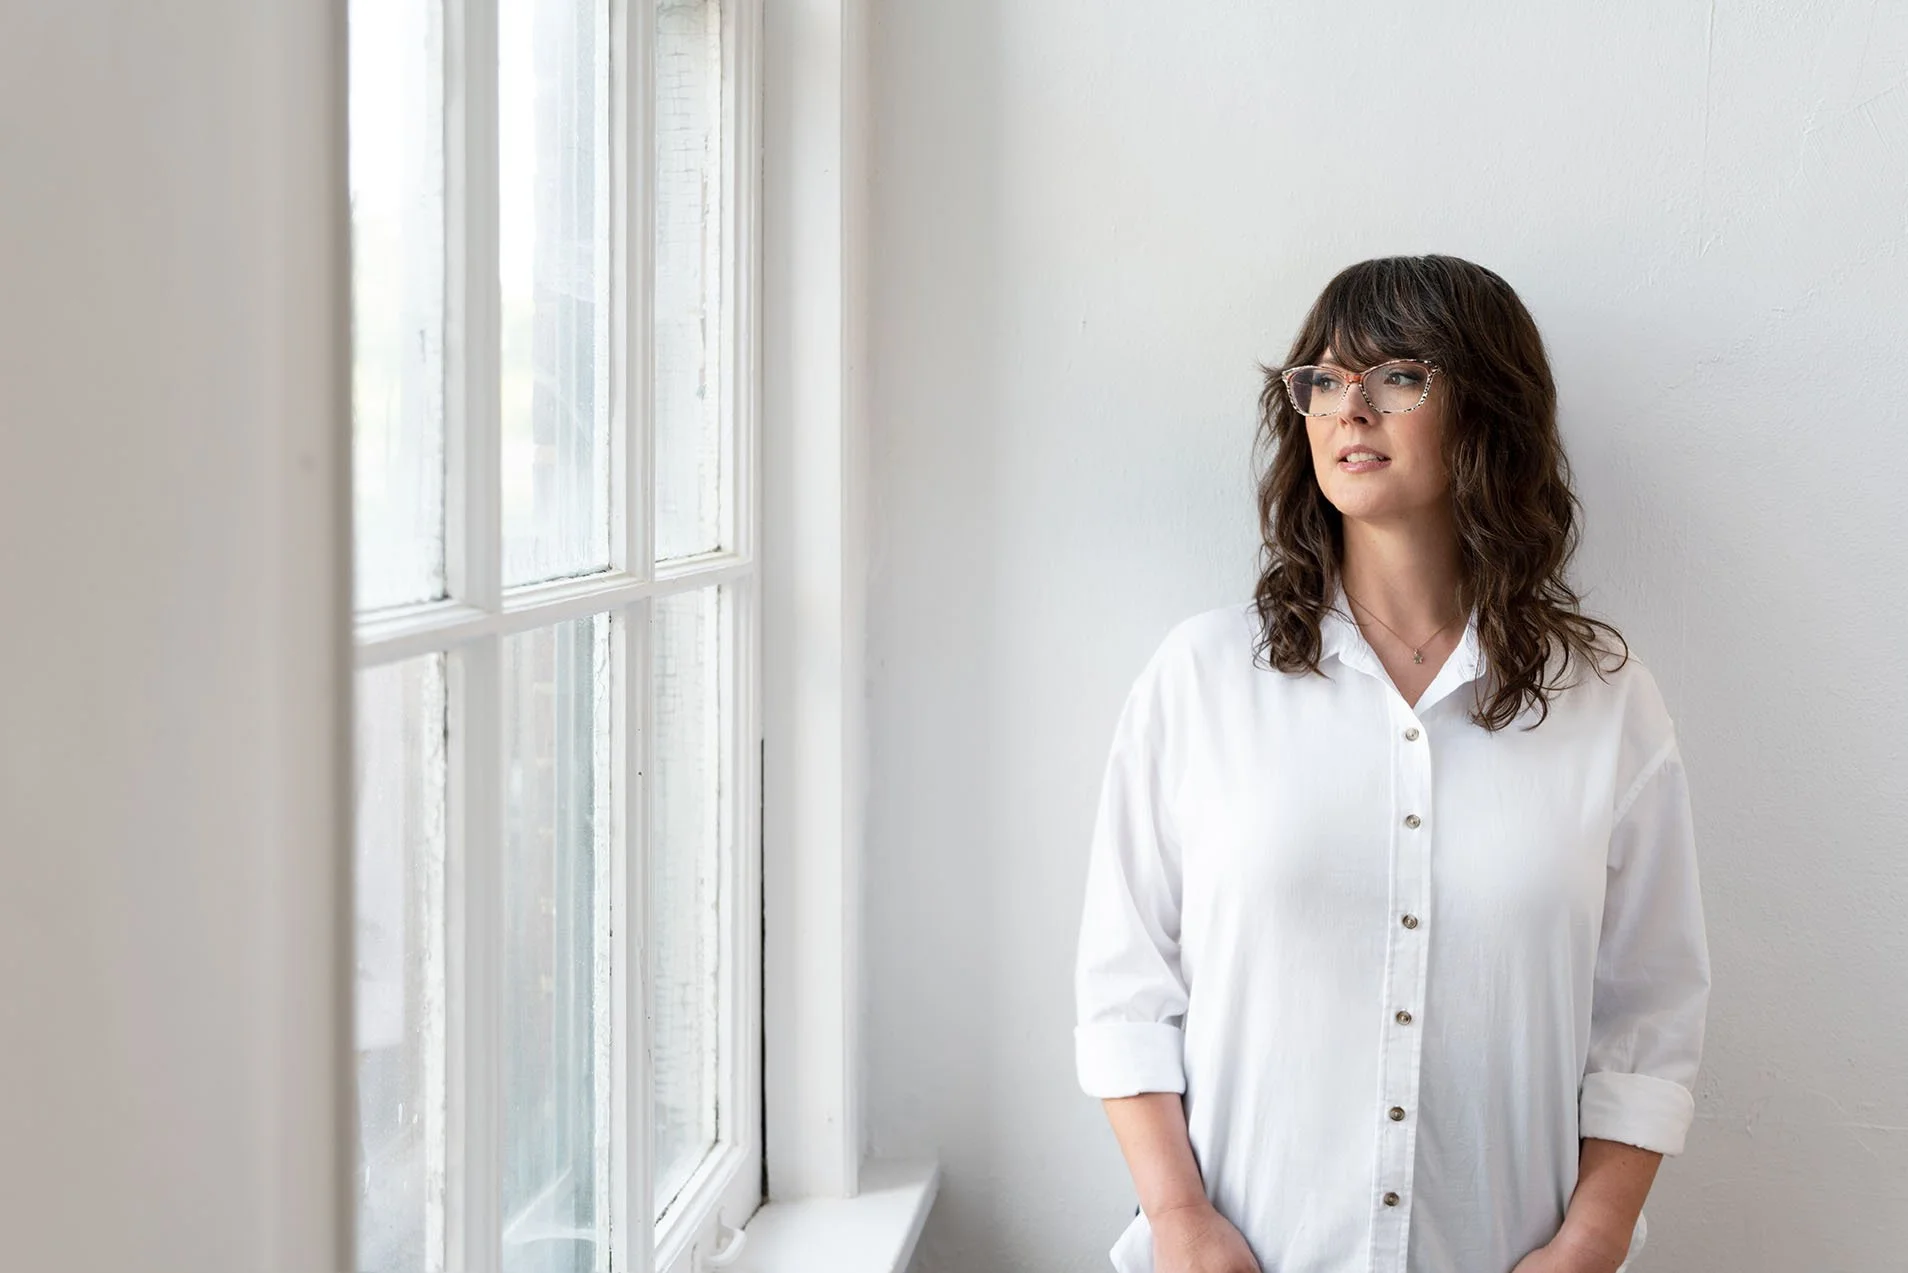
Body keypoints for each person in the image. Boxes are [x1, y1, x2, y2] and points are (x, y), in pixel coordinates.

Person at [1072, 255, 1711, 1273]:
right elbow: (1124, 987)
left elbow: (1649, 1015)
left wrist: (1591, 1242)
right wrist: (1178, 1220)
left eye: (1398, 377)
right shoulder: (1201, 678)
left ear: (1489, 413)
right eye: (1322, 382)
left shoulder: (1605, 698)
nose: (1349, 409)